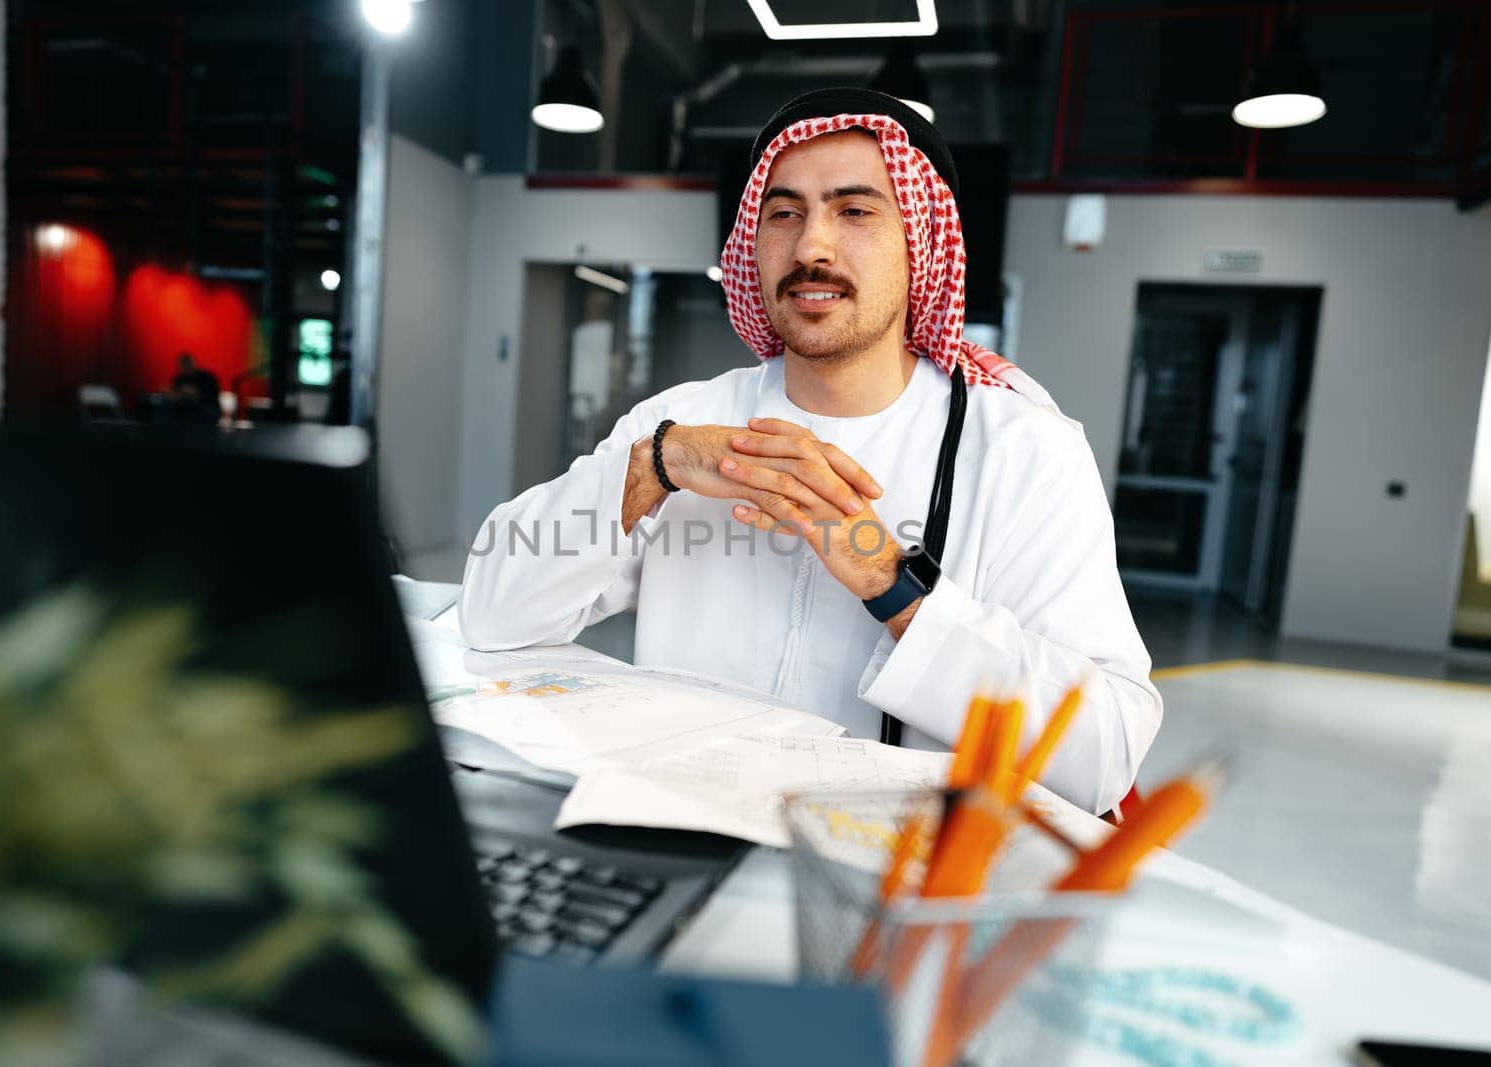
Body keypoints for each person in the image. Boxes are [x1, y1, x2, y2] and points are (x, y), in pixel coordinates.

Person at [459, 88, 1160, 814]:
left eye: (855, 211)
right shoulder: (683, 420)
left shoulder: (1023, 452)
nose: (810, 247)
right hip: (677, 833)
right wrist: (647, 470)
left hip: (884, 887)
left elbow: (1104, 751)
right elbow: (491, 613)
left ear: (920, 241)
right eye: (783, 213)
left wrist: (894, 582)